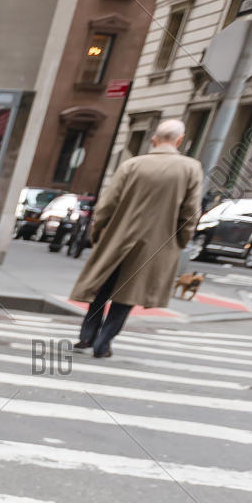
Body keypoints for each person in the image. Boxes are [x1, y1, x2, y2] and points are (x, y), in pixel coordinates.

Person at [68, 118, 203, 358]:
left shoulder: (132, 165)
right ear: (179, 141)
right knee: (128, 294)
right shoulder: (190, 168)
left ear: (154, 139)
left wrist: (99, 234)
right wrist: (181, 240)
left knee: (100, 287)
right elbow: (190, 211)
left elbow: (107, 205)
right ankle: (103, 343)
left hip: (118, 236)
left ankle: (86, 337)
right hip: (156, 243)